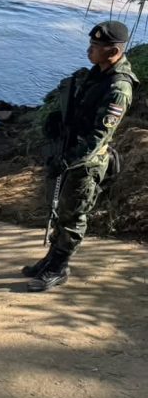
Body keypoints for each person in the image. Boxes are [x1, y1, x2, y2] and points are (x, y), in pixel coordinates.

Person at [23, 20, 140, 292]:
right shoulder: (95, 74)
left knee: (74, 214)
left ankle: (59, 267)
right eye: (91, 44)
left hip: (86, 162)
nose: (89, 50)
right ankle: (51, 258)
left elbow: (100, 136)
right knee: (60, 210)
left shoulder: (118, 87)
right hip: (70, 150)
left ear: (113, 52)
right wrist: (56, 120)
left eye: (96, 46)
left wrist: (68, 160)